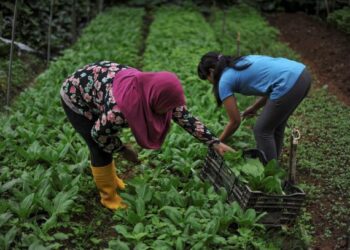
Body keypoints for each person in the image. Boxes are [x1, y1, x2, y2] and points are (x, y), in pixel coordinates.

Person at [60, 61, 233, 210]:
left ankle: (113, 179)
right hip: (76, 96)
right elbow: (99, 134)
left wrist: (214, 142)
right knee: (99, 148)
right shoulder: (118, 110)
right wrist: (122, 149)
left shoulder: (157, 91)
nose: (168, 113)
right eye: (165, 109)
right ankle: (108, 196)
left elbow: (185, 118)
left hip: (100, 84)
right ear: (153, 101)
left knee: (107, 138)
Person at [197, 52, 311, 162]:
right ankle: (274, 166)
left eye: (206, 78)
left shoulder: (224, 80)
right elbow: (272, 86)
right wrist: (254, 107)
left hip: (289, 81)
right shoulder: (241, 62)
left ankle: (270, 174)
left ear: (211, 72)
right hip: (301, 74)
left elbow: (235, 121)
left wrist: (217, 142)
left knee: (261, 130)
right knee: (275, 126)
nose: (210, 82)